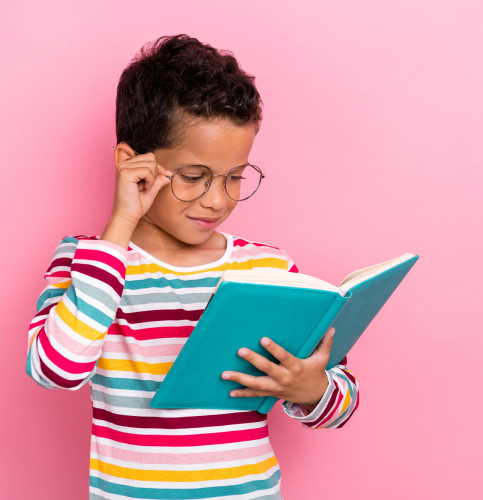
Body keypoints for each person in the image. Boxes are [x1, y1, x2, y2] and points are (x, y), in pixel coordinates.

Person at [26, 34, 360, 500]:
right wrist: (120, 225)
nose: (219, 200)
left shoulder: (268, 269)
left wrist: (310, 387)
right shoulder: (90, 261)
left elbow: (341, 404)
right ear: (132, 164)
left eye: (235, 177)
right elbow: (55, 369)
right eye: (193, 178)